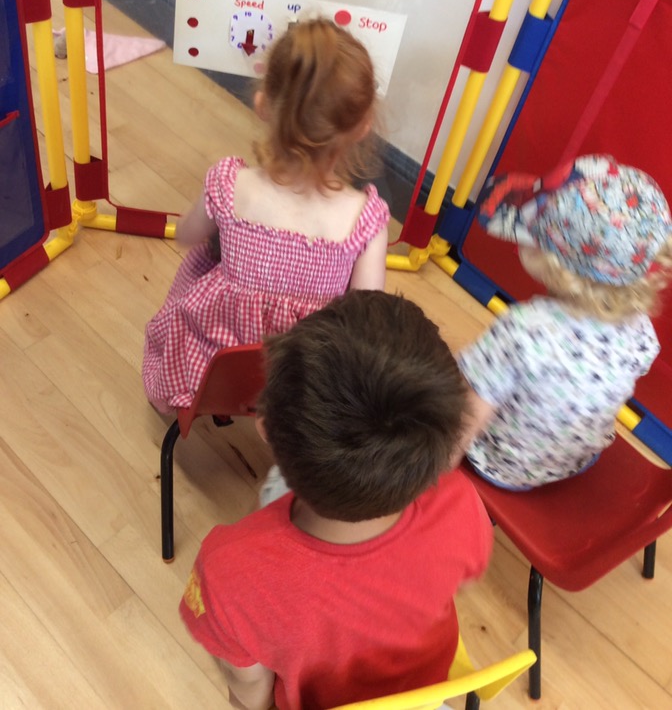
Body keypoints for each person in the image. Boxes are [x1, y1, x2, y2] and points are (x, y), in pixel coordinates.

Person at [180, 290, 493, 710]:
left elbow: (250, 692)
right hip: (429, 695)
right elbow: (459, 579)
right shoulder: (461, 503)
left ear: (266, 429)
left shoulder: (227, 569)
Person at [143, 19, 390, 413]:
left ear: (262, 104)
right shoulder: (366, 220)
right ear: (363, 127)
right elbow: (366, 316)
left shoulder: (228, 183)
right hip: (304, 381)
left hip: (216, 370)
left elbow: (185, 235)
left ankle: (176, 396)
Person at [458, 153, 672, 490]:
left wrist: (433, 472)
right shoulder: (640, 328)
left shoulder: (523, 330)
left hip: (503, 467)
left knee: (452, 381)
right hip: (578, 459)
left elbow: (467, 419)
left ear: (551, 261)